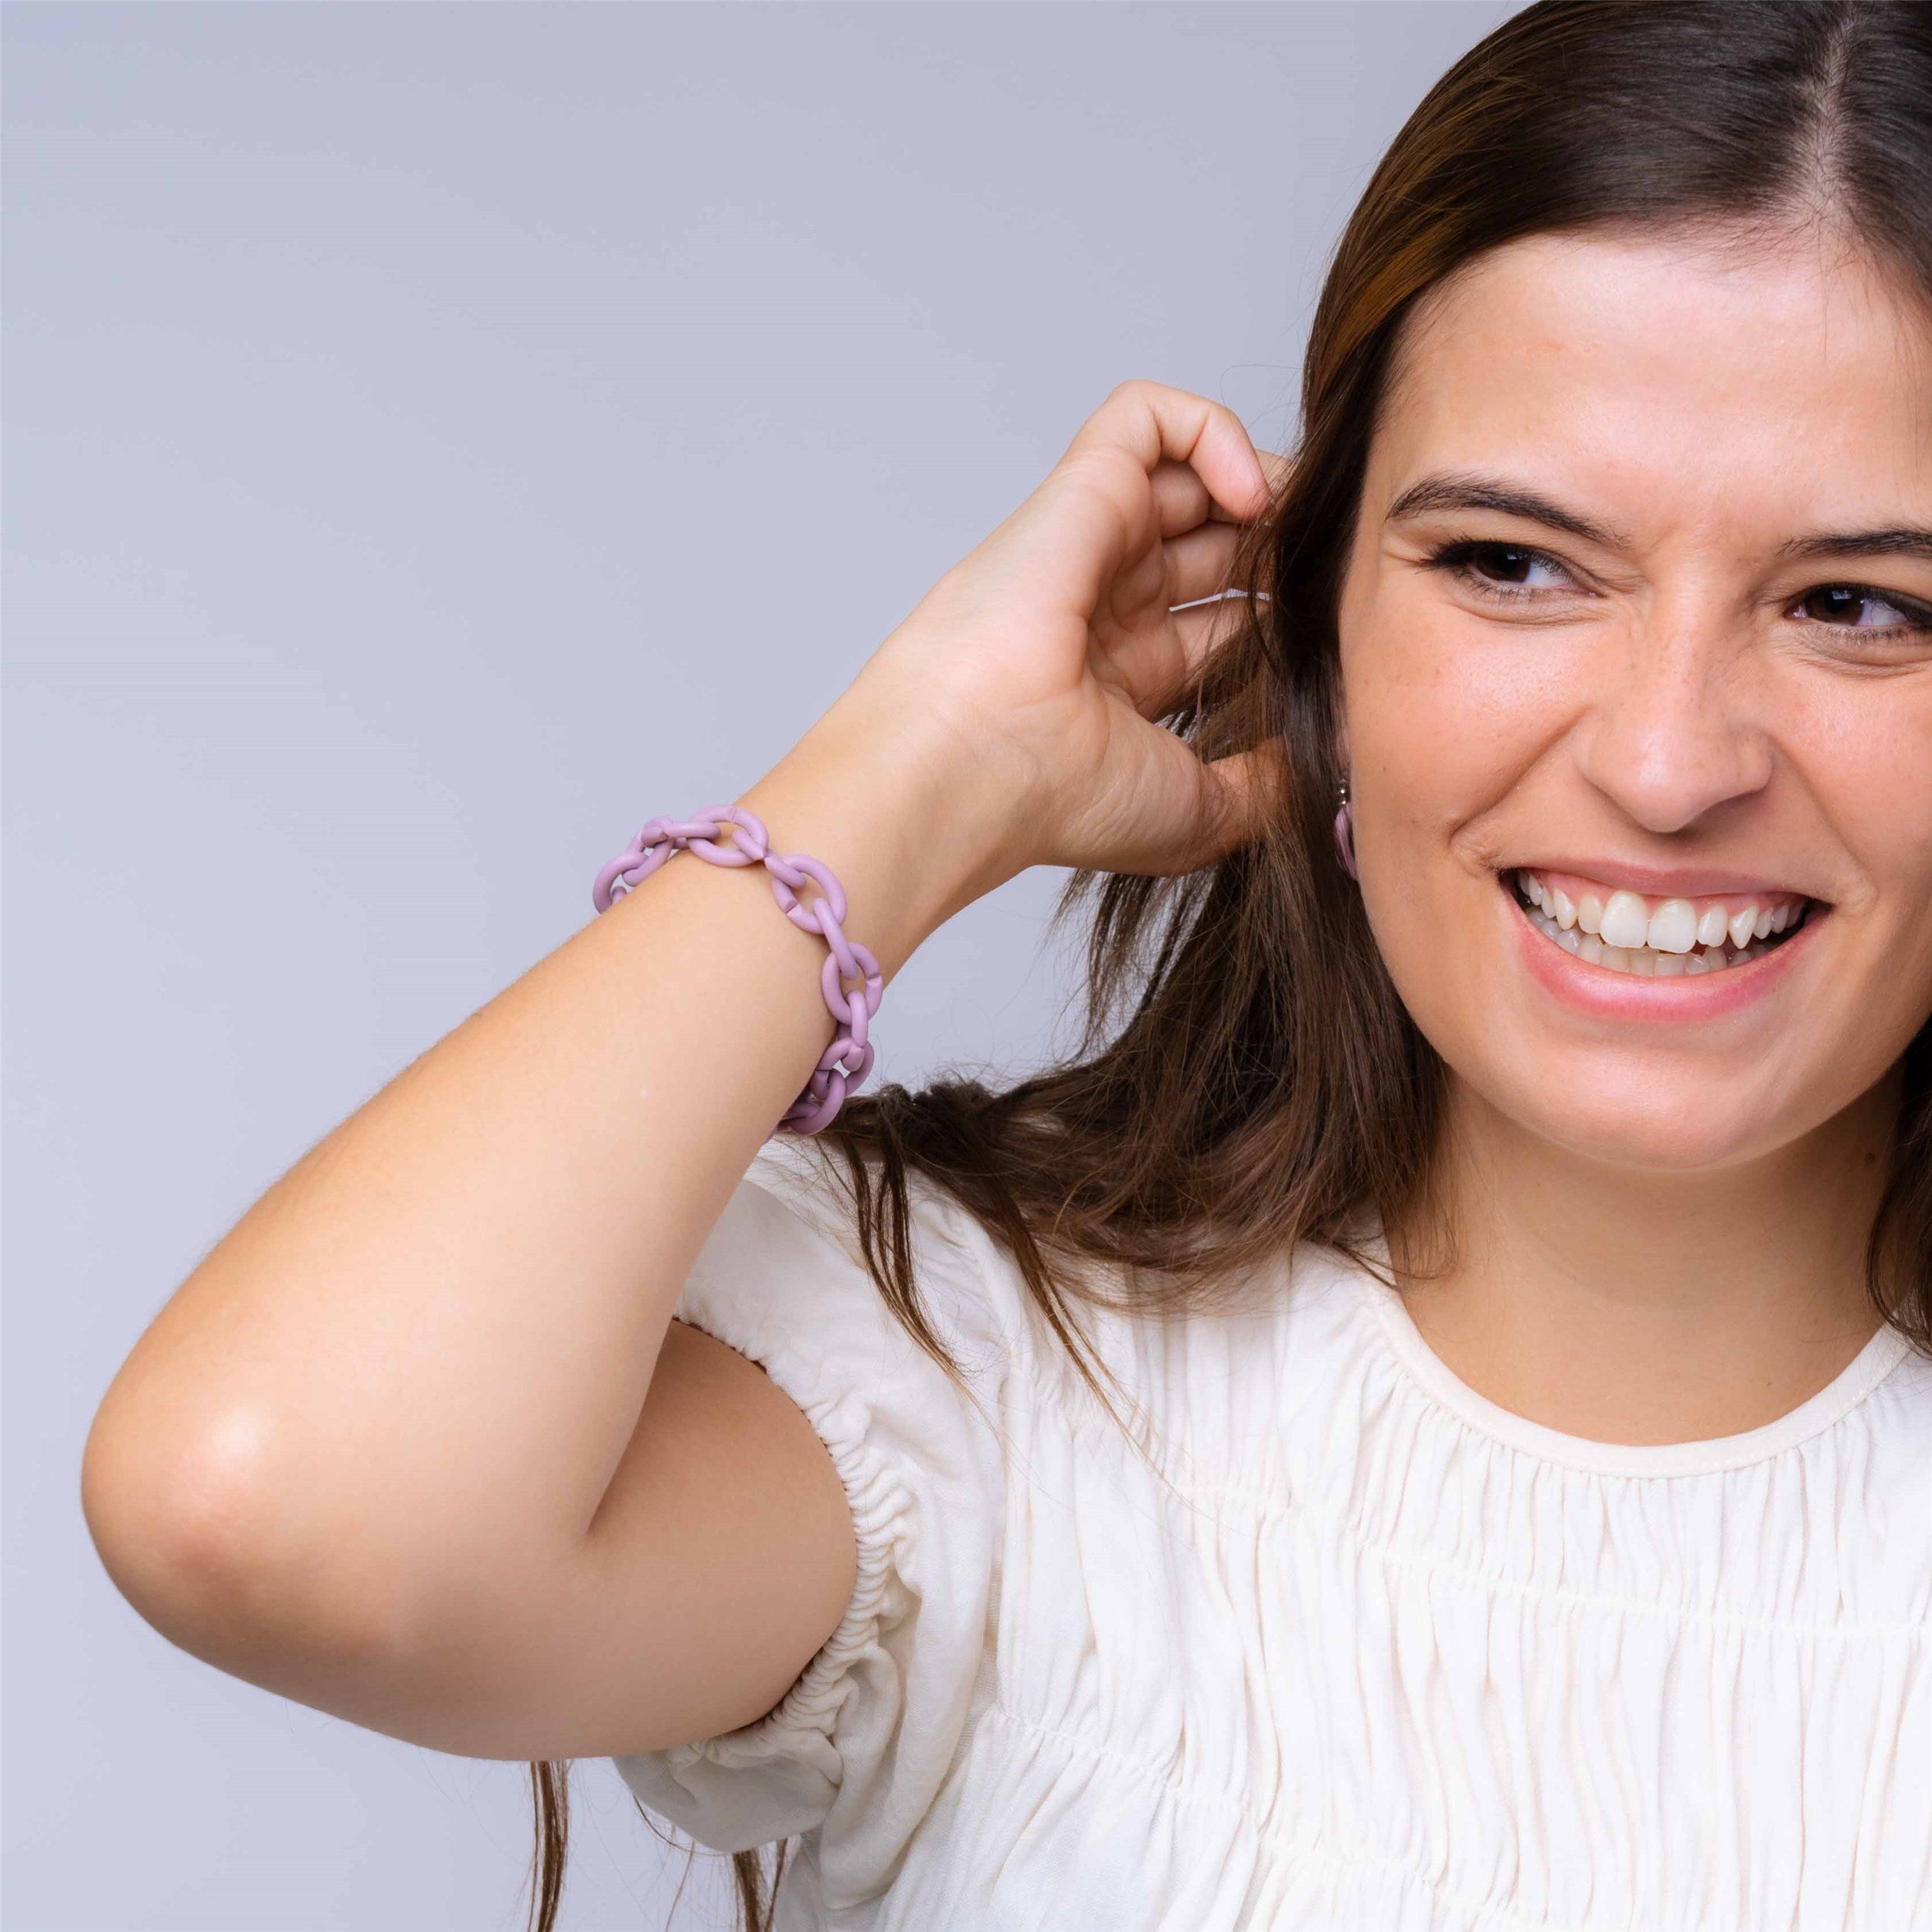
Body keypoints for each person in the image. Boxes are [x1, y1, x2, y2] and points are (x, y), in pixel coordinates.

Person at [80, 2, 1931, 1928]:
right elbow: (263, 1502)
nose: (1664, 759)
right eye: (1513, 565)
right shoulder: (975, 1386)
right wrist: (919, 767)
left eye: (1857, 603)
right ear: (1316, 645)